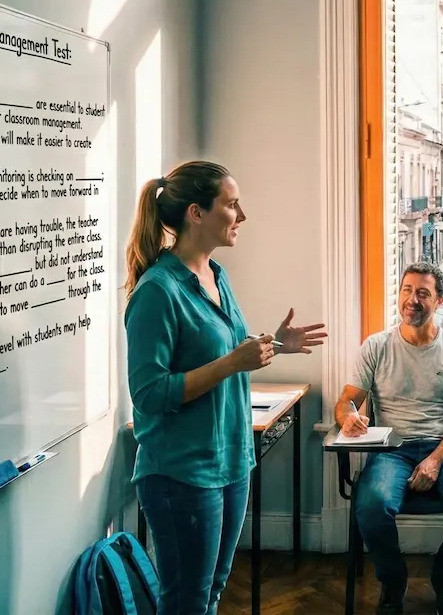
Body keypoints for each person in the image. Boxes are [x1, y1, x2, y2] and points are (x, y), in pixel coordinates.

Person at [124, 160, 327, 615]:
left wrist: (276, 344)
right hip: (181, 472)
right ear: (196, 213)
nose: (243, 215)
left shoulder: (216, 275)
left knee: (212, 590)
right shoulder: (157, 291)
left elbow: (221, 347)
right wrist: (232, 362)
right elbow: (150, 394)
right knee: (187, 600)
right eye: (232, 204)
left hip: (231, 459)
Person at [335, 261, 443, 615]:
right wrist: (348, 418)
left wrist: (434, 460)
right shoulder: (376, 346)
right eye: (407, 290)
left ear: (439, 301)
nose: (412, 300)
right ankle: (393, 582)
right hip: (392, 449)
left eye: (423, 293)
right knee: (371, 505)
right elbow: (346, 402)